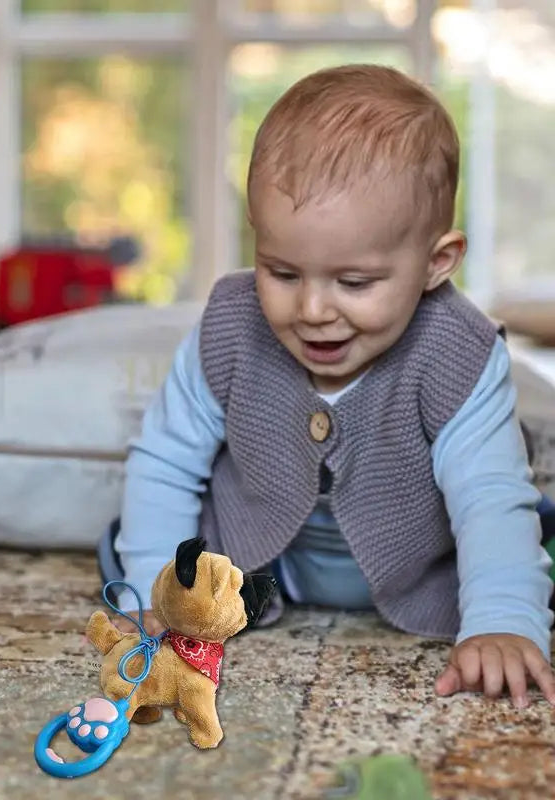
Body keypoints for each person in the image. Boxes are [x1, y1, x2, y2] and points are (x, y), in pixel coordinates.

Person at [97, 64, 555, 708]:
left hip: (422, 570)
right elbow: (166, 461)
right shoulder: (230, 326)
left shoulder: (459, 352)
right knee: (130, 537)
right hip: (255, 560)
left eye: (356, 283)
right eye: (282, 272)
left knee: (524, 534)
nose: (312, 308)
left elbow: (487, 496)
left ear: (436, 263)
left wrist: (503, 621)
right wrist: (159, 589)